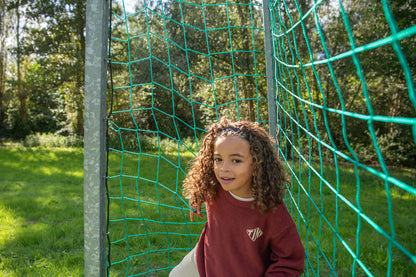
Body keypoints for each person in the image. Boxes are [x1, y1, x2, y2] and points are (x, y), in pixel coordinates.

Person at [170, 118, 305, 277]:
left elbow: (290, 260)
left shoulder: (271, 210)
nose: (224, 169)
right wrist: (197, 196)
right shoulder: (215, 186)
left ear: (256, 164)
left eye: (236, 160)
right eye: (218, 159)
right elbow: (202, 183)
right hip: (204, 259)